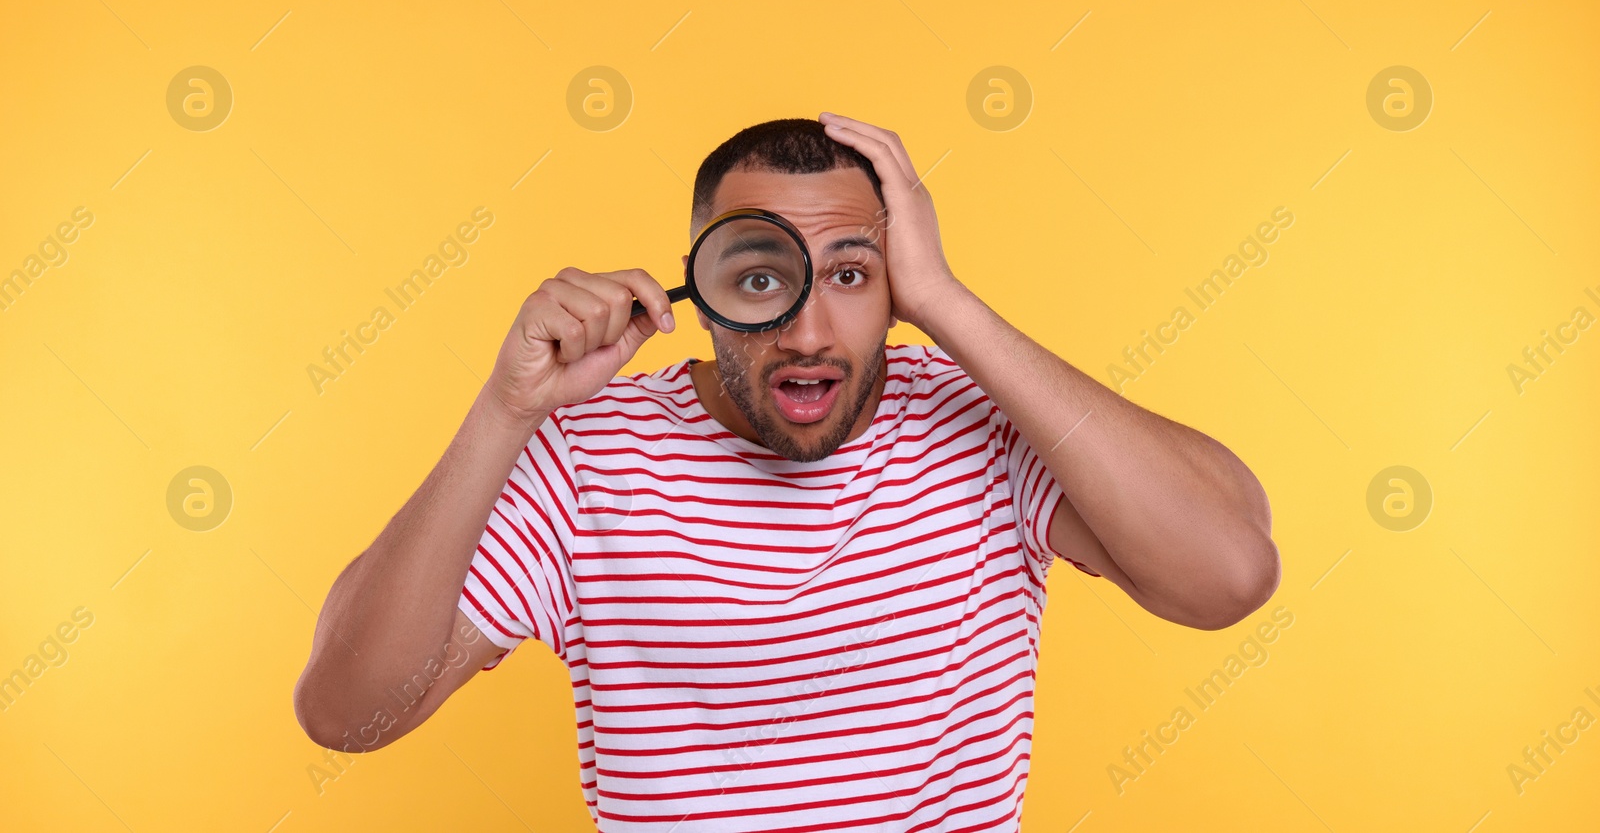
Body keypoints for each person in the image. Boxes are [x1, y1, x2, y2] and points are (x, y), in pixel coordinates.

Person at [293, 112, 1279, 831]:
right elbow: (348, 714)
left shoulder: (982, 417)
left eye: (852, 273)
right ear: (703, 288)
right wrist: (506, 408)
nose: (808, 329)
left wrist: (946, 302)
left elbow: (1226, 575)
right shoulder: (584, 456)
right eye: (761, 275)